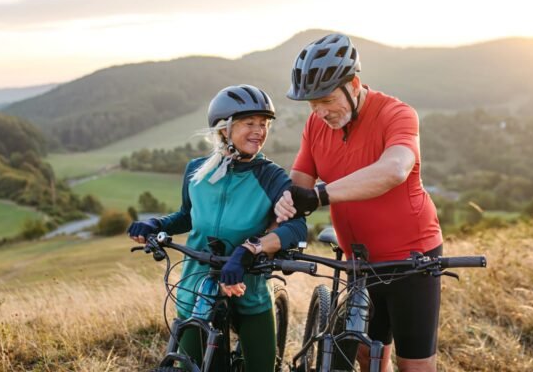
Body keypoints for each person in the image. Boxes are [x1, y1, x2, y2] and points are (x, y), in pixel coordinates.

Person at [274, 33, 443, 372]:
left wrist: (321, 194)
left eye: (327, 100)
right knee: (368, 356)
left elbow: (395, 169)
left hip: (412, 260)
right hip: (360, 263)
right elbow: (298, 186)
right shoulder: (315, 124)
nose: (321, 112)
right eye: (312, 104)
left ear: (353, 84)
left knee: (414, 364)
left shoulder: (397, 114)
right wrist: (280, 210)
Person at [128, 84, 307, 372]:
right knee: (189, 365)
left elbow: (296, 227)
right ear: (225, 129)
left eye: (263, 124)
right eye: (249, 123)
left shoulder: (271, 176)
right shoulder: (197, 171)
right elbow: (187, 216)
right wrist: (156, 224)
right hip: (197, 284)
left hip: (248, 283)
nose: (259, 131)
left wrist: (249, 251)